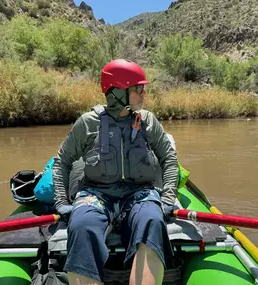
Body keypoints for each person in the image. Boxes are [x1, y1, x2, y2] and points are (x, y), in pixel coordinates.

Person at [53, 59, 179, 285]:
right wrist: (62, 201)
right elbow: (62, 161)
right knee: (81, 225)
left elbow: (169, 159)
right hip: (96, 193)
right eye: (138, 88)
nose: (144, 93)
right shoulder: (88, 123)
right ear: (118, 92)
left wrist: (168, 197)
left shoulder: (148, 121)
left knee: (152, 220)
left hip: (139, 192)